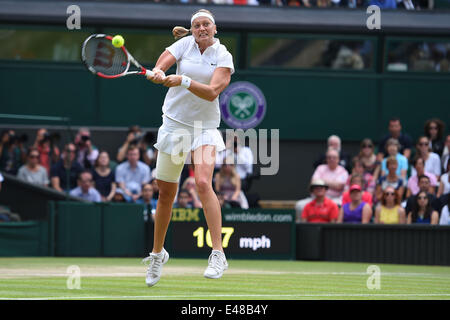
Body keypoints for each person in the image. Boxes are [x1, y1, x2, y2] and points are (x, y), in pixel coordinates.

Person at [142, 8, 234, 286]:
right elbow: (164, 62)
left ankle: (218, 253)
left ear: (214, 29)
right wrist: (159, 72)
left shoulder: (223, 55)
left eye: (206, 24)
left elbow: (212, 92)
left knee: (203, 183)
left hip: (204, 128)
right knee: (166, 193)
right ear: (191, 29)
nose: (201, 28)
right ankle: (158, 254)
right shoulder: (184, 44)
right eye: (196, 25)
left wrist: (182, 80)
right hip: (173, 125)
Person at [295, 148, 349, 218]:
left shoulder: (343, 171)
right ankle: (302, 227)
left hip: (335, 199)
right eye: (329, 157)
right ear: (326, 159)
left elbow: (339, 186)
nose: (331, 159)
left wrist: (321, 181)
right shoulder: (320, 168)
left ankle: (334, 228)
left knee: (339, 206)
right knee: (300, 205)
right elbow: (313, 182)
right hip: (316, 198)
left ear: (338, 159)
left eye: (334, 158)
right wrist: (332, 184)